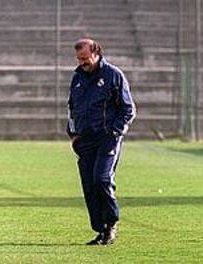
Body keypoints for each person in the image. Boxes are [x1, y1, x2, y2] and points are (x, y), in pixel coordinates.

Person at [66, 38, 136, 245]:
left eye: (85, 58)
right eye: (79, 59)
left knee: (101, 179)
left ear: (97, 53)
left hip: (107, 139)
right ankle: (101, 229)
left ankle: (112, 222)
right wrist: (73, 133)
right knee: (89, 185)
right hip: (85, 139)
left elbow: (128, 109)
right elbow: (71, 107)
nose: (82, 63)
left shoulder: (113, 75)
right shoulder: (77, 77)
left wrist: (115, 132)